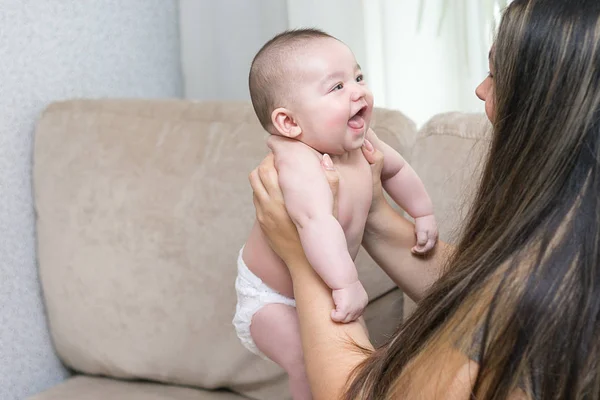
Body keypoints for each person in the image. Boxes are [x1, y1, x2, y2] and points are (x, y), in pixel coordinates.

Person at [249, 0, 600, 398]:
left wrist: (303, 258)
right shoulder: (566, 248)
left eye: (494, 72)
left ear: (548, 105)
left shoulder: (552, 292)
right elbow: (488, 293)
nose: (481, 89)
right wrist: (375, 210)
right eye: (337, 85)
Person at [233, 29, 438, 399]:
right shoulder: (297, 161)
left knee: (359, 361)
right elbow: (315, 222)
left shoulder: (360, 141)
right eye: (337, 87)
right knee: (305, 363)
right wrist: (345, 283)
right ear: (290, 124)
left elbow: (397, 170)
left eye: (358, 77)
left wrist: (421, 213)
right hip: (270, 298)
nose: (358, 91)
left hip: (318, 282)